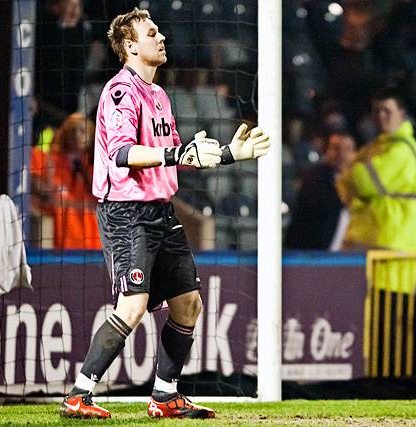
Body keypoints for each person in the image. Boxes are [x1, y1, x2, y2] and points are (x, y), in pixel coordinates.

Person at [59, 8, 270, 420]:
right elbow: (122, 154)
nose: (161, 38)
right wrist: (176, 152)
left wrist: (228, 154)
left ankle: (165, 395)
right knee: (132, 307)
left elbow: (173, 157)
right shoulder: (120, 91)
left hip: (160, 210)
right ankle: (78, 395)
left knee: (188, 304)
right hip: (126, 213)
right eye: (151, 33)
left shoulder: (158, 95)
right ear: (130, 46)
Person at [336, 89, 416, 293]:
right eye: (377, 111)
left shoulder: (404, 150)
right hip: (366, 248)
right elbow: (343, 185)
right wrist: (352, 170)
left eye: (387, 111)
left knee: (388, 317)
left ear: (402, 113)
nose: (380, 116)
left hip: (392, 257)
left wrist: (351, 166)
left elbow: (365, 182)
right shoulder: (374, 148)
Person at [30, 112, 100, 249]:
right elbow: (37, 188)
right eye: (73, 130)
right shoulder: (47, 159)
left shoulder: (95, 167)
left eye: (83, 130)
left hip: (93, 247)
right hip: (56, 246)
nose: (77, 135)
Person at [286, 132, 355, 250]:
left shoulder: (361, 181)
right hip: (315, 255)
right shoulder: (314, 179)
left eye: (347, 149)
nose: (341, 154)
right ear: (327, 151)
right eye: (336, 148)